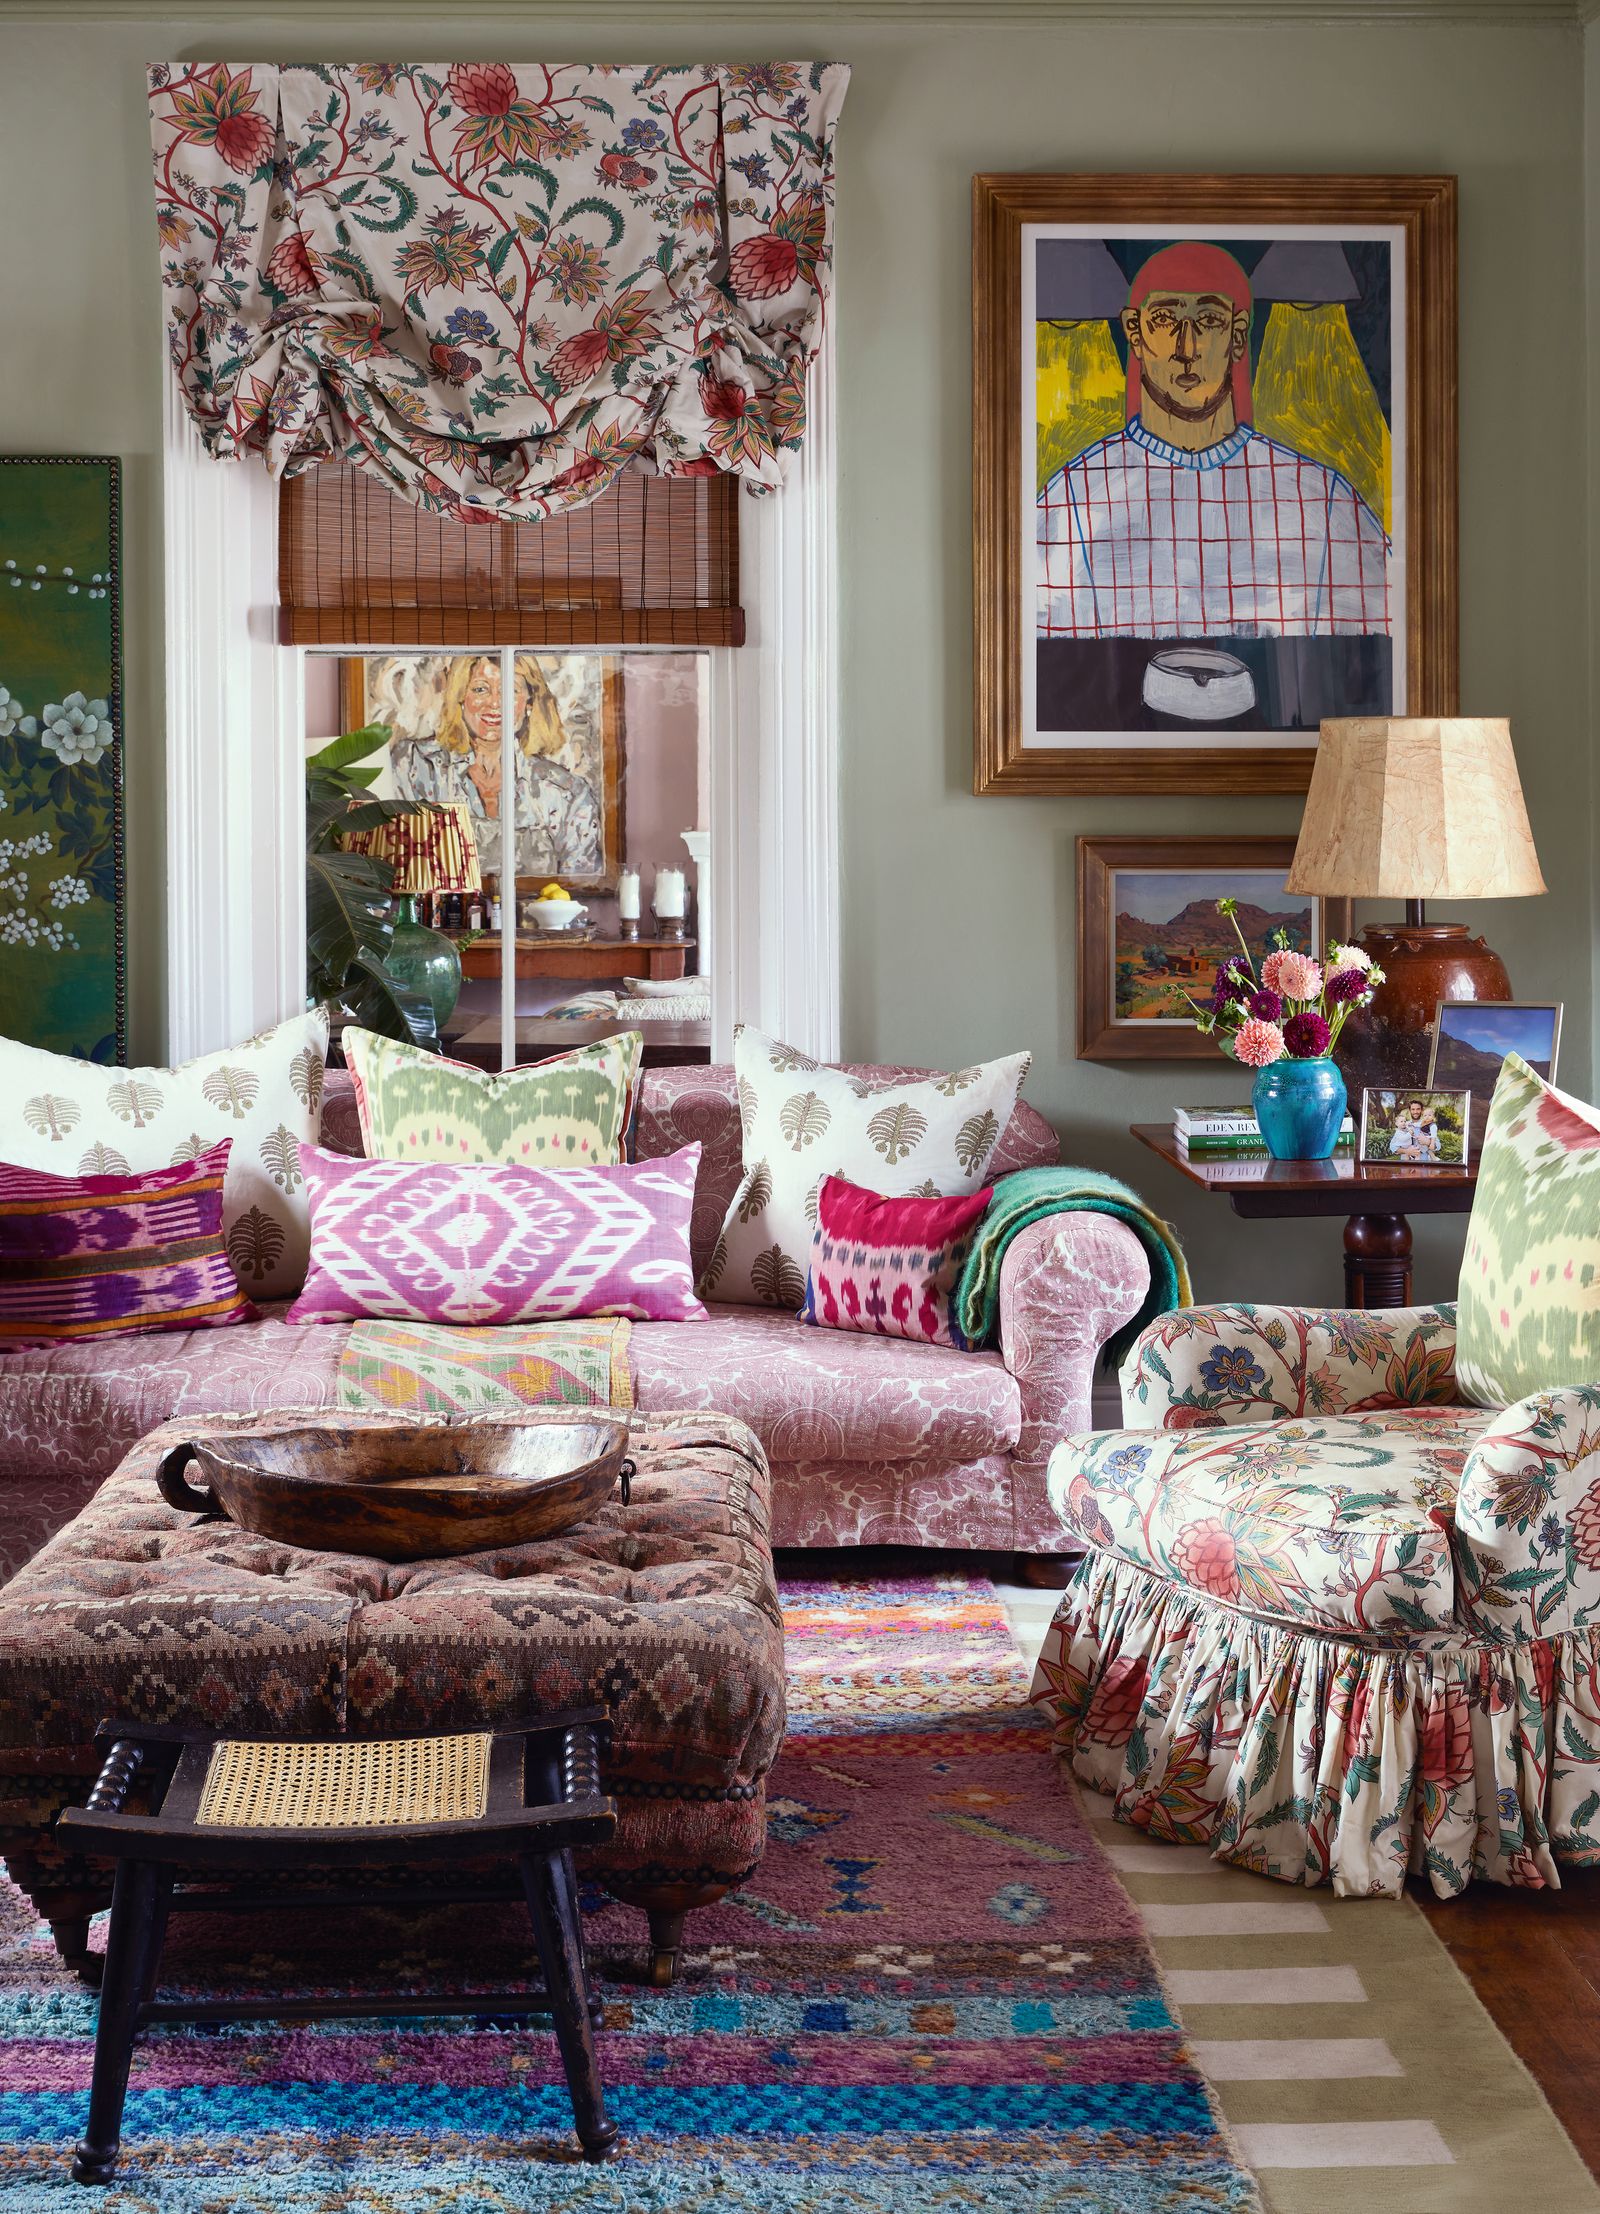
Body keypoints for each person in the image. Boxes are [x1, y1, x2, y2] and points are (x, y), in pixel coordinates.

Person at [1037, 242, 1390, 642]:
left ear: (1238, 336)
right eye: (1166, 319)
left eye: (1208, 320)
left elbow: (1378, 653)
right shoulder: (1072, 499)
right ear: (1135, 332)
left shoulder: (1323, 501)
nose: (1187, 349)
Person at [391, 655, 603, 883]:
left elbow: (577, 885)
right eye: (480, 689)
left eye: (509, 690)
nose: (494, 703)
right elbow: (397, 863)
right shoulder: (415, 765)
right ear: (460, 696)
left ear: (530, 702)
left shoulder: (567, 792)